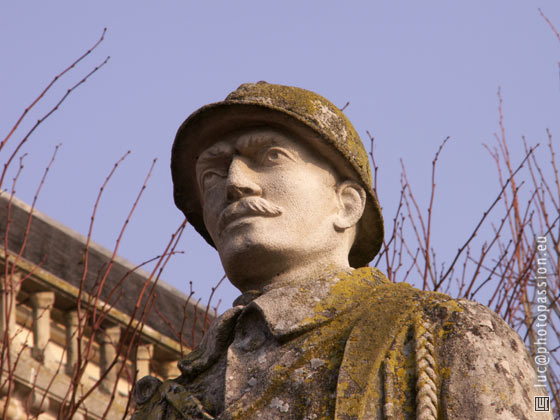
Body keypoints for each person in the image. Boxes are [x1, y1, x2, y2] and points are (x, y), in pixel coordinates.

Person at [132, 82, 551, 419]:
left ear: (346, 205)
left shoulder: (451, 335)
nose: (235, 183)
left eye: (271, 156)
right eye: (212, 174)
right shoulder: (170, 400)